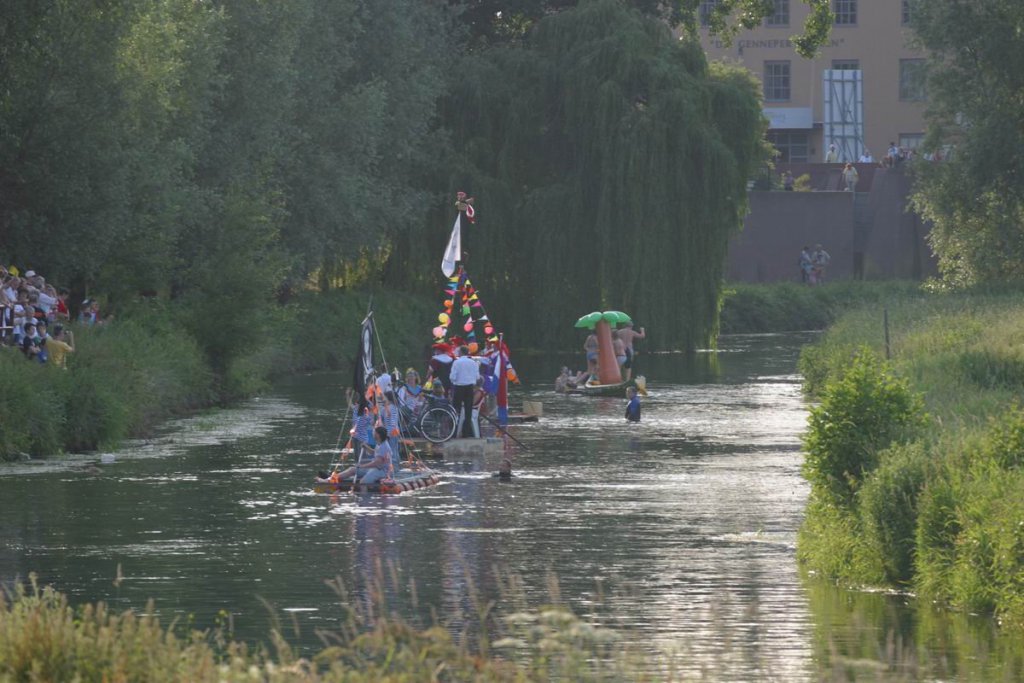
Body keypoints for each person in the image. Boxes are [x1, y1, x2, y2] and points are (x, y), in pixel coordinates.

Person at [449, 345, 479, 438]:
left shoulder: (457, 362)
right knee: (468, 411)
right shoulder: (473, 363)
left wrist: (455, 381)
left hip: (459, 387)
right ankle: (466, 433)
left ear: (461, 352)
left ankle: (453, 432)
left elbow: (452, 377)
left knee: (455, 410)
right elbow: (477, 377)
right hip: (469, 388)